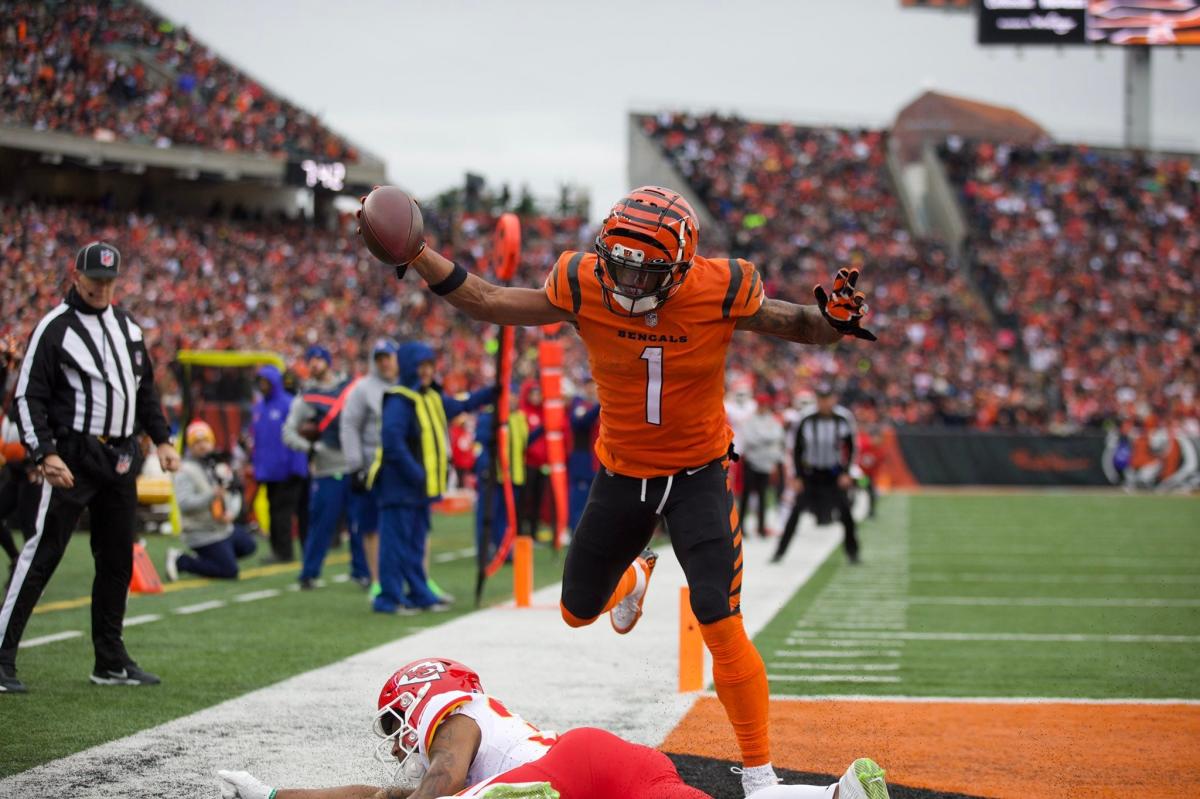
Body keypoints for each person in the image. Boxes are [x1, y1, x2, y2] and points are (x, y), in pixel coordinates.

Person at [357, 185, 876, 794]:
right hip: (622, 473)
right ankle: (634, 577)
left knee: (719, 618)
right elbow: (490, 298)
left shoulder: (723, 285)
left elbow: (802, 325)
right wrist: (419, 255)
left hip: (697, 476)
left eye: (646, 270)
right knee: (577, 611)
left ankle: (761, 779)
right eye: (620, 264)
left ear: (682, 266)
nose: (628, 282)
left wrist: (834, 322)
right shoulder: (581, 281)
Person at [215, 657, 890, 799]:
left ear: (422, 698)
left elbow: (446, 777)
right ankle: (832, 796)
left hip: (558, 774)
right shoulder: (482, 713)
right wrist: (274, 796)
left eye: (399, 721)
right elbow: (375, 796)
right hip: (612, 764)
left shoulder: (454, 722)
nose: (398, 741)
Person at [0, 241, 181, 694]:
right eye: (93, 279)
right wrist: (45, 453)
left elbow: (145, 393)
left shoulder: (129, 328)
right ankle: (2, 656)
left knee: (117, 558)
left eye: (107, 280)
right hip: (73, 456)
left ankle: (110, 660)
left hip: (121, 458)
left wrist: (162, 439)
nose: (100, 288)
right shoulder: (54, 328)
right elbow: (28, 396)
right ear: (76, 276)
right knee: (42, 554)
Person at [369, 342, 493, 614]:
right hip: (399, 487)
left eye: (429, 366)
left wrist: (493, 392)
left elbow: (465, 404)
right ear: (409, 367)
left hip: (419, 489)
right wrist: (417, 474)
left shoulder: (431, 398)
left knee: (415, 543)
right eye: (421, 366)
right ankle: (388, 598)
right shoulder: (399, 400)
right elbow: (392, 443)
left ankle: (418, 592)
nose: (426, 372)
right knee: (395, 545)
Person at [283, 345, 369, 589]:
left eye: (319, 359)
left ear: (328, 362)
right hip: (327, 467)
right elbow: (288, 432)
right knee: (322, 524)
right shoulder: (306, 398)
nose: (315, 364)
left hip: (354, 464)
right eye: (311, 360)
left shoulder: (352, 387)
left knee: (358, 522)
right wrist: (310, 448)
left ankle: (362, 570)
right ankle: (309, 573)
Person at [772, 385, 860, 565]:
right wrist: (797, 476)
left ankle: (853, 553)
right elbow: (797, 449)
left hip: (834, 472)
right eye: (821, 398)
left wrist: (846, 472)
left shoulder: (842, 418)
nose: (824, 402)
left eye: (827, 398)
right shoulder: (806, 419)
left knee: (846, 513)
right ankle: (779, 552)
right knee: (795, 513)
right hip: (811, 473)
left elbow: (851, 447)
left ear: (833, 399)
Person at [341, 339, 401, 596]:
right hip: (371, 467)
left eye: (388, 357)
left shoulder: (405, 385)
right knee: (372, 526)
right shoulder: (363, 389)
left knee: (404, 525)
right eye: (379, 358)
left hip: (400, 466)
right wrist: (355, 465)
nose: (384, 362)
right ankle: (377, 580)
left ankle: (406, 577)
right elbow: (350, 425)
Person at [165, 421, 256, 580]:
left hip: (223, 527)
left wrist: (232, 513)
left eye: (205, 441)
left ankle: (215, 558)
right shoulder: (184, 470)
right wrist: (211, 496)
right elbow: (185, 504)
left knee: (249, 545)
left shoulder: (217, 465)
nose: (202, 446)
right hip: (201, 531)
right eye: (197, 442)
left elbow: (233, 493)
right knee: (230, 571)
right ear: (190, 445)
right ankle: (181, 561)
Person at [251, 364, 308, 564]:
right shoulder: (259, 407)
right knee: (273, 510)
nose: (263, 386)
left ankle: (285, 552)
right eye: (261, 382)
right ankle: (277, 549)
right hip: (268, 471)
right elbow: (257, 439)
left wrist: (297, 466)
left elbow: (297, 436)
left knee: (284, 512)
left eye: (266, 382)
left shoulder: (289, 404)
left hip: (287, 470)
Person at [739, 395, 786, 538]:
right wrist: (766, 439)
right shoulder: (750, 420)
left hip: (766, 463)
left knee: (762, 496)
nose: (763, 407)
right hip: (751, 462)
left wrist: (762, 438)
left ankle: (761, 527)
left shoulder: (773, 420)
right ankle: (741, 526)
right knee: (745, 496)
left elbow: (778, 436)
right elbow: (750, 439)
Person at [565, 380, 600, 532]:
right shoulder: (579, 404)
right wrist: (600, 405)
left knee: (594, 501)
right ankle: (576, 531)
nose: (592, 389)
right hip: (582, 460)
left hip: (595, 460)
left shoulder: (594, 406)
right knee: (580, 500)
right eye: (589, 386)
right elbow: (581, 423)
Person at [518, 380, 550, 541]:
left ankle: (534, 530)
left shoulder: (543, 413)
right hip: (528, 463)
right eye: (533, 394)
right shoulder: (524, 413)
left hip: (542, 464)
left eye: (538, 394)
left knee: (538, 498)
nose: (536, 397)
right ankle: (521, 530)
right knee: (525, 498)